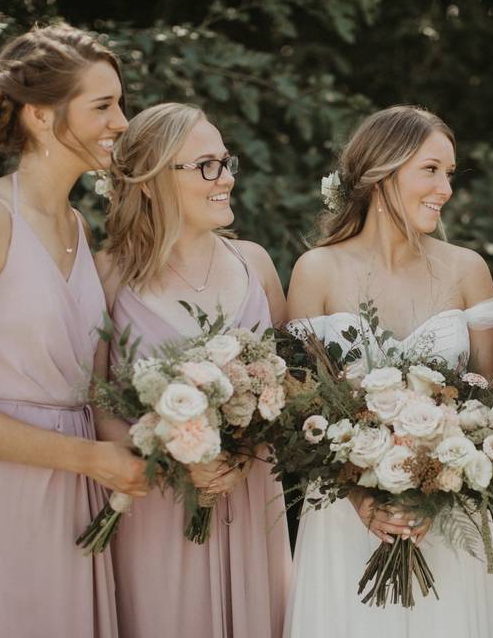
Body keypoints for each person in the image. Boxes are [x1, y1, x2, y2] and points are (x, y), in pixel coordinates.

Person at [0, 24, 146, 637]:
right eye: (103, 105)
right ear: (41, 116)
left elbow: (90, 378)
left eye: (118, 103)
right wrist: (86, 458)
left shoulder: (79, 226)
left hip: (76, 495)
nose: (122, 121)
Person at [284, 105, 493, 637]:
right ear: (381, 173)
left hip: (450, 520)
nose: (445, 189)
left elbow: (492, 400)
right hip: (345, 517)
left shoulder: (467, 269)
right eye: (431, 170)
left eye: (449, 174)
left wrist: (442, 478)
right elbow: (300, 414)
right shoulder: (316, 270)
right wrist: (363, 497)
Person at [96, 102, 290, 637]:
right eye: (206, 165)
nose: (225, 177)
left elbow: (288, 388)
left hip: (250, 499)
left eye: (226, 162)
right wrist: (170, 456)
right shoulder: (110, 272)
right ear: (153, 180)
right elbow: (94, 400)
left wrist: (246, 453)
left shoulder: (256, 263)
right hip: (155, 503)